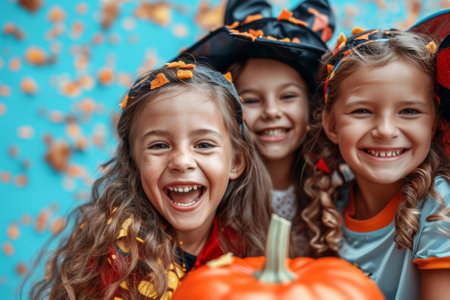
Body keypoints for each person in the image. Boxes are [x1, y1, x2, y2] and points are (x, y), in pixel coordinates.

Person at [25, 61, 272, 299]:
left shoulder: (244, 244)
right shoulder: (116, 255)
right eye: (159, 145)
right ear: (134, 162)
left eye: (204, 144)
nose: (182, 161)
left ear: (236, 162)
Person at [177, 0, 337, 257]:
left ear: (312, 106)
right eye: (250, 100)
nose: (272, 112)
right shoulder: (210, 193)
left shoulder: (335, 185)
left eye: (287, 97)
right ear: (228, 111)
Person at [303, 28, 450, 300]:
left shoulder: (440, 208)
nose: (385, 130)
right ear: (331, 124)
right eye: (362, 111)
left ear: (435, 123)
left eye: (409, 111)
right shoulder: (334, 201)